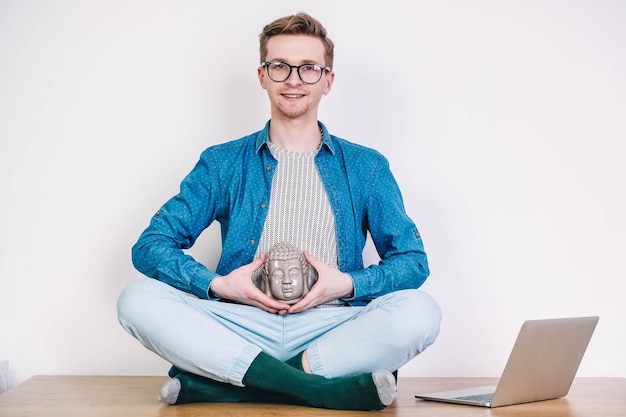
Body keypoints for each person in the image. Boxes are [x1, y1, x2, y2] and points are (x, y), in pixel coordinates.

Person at [117, 12, 441, 411]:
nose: (293, 79)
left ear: (328, 80)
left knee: (421, 312)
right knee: (136, 299)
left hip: (331, 325)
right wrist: (220, 286)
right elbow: (150, 246)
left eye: (308, 68)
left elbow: (412, 262)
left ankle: (232, 385)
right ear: (262, 76)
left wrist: (346, 284)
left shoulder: (367, 167)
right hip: (242, 323)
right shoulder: (222, 163)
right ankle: (320, 388)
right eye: (280, 66)